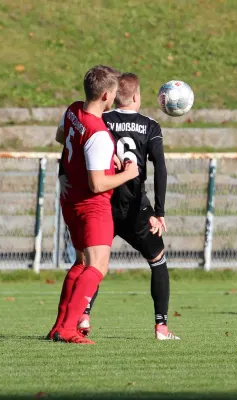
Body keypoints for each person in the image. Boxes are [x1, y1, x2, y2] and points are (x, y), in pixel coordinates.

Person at [61, 73, 180, 340]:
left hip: (104, 204)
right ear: (136, 96)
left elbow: (73, 146)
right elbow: (160, 168)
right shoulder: (150, 125)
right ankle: (161, 326)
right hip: (135, 207)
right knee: (157, 260)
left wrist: (63, 175)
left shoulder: (101, 119)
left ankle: (84, 315)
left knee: (92, 263)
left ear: (115, 96)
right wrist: (159, 211)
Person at [47, 65, 139, 345]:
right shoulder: (98, 131)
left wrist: (102, 157)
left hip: (70, 200)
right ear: (106, 96)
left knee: (81, 262)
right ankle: (68, 329)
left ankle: (59, 326)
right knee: (98, 266)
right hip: (92, 205)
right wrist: (127, 173)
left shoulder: (73, 110)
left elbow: (62, 138)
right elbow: (97, 184)